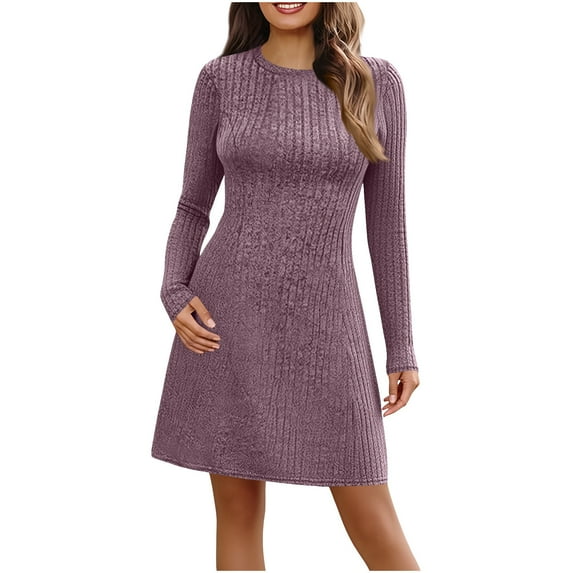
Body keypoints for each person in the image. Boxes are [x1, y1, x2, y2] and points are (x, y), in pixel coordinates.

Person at [151, 2, 421, 570]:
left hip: (329, 328)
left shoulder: (376, 84)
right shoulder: (221, 79)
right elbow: (193, 205)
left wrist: (401, 347)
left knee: (372, 515)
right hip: (227, 324)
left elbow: (387, 227)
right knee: (237, 511)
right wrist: (174, 289)